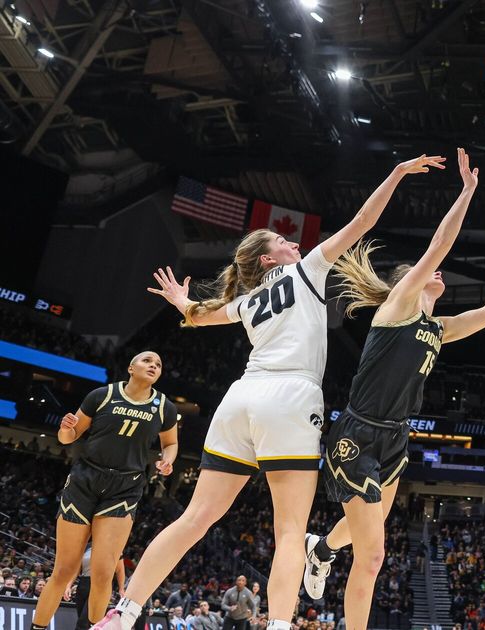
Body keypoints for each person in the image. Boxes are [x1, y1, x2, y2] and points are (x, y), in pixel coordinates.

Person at [92, 152, 447, 630]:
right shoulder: (309, 270)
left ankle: (123, 612)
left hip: (240, 398)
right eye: (283, 240)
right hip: (291, 398)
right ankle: (279, 625)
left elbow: (200, 315)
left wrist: (182, 301)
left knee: (195, 519)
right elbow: (365, 220)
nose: (293, 242)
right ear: (268, 258)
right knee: (289, 532)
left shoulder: (247, 299)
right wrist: (397, 174)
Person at [300, 150, 485, 630]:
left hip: (395, 438)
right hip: (358, 434)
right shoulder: (398, 308)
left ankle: (320, 548)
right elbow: (439, 247)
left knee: (367, 540)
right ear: (409, 281)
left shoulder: (439, 328)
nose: (439, 274)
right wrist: (467, 192)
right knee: (373, 555)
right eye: (429, 272)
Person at [32, 352, 179, 630]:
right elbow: (69, 437)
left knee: (103, 573)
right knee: (63, 570)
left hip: (124, 487)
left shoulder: (164, 407)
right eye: (147, 361)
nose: (153, 366)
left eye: (158, 364)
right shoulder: (102, 395)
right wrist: (65, 430)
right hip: (85, 481)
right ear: (131, 367)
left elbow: (170, 443)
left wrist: (168, 458)